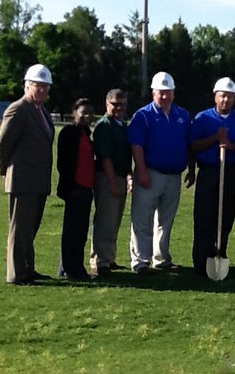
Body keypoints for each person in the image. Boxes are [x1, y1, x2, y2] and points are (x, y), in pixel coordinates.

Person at [127, 72, 193, 274]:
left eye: (167, 92)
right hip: (150, 173)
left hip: (174, 175)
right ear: (153, 93)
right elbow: (136, 146)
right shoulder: (143, 115)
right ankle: (140, 260)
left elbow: (188, 144)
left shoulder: (182, 115)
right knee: (142, 218)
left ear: (173, 93)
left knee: (166, 219)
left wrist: (192, 168)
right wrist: (143, 172)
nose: (164, 97)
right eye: (160, 93)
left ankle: (160, 257)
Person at [189, 77, 235, 276]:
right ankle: (201, 260)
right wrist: (215, 138)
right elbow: (192, 145)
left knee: (226, 216)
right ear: (215, 97)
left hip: (232, 172)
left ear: (234, 98)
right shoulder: (203, 118)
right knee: (205, 216)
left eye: (229, 96)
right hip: (209, 172)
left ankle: (220, 253)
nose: (225, 100)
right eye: (222, 96)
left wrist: (232, 146)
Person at [0, 64, 55, 285]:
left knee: (30, 229)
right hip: (22, 179)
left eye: (45, 87)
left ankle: (28, 269)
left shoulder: (41, 111)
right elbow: (3, 143)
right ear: (27, 86)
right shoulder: (18, 109)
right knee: (19, 229)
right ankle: (16, 273)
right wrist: (5, 170)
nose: (42, 91)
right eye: (37, 86)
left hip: (38, 180)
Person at [90, 89, 132, 277]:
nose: (119, 108)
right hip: (108, 177)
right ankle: (100, 261)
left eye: (122, 104)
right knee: (105, 220)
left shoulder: (122, 124)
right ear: (107, 104)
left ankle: (108, 257)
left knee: (114, 220)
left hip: (121, 175)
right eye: (115, 104)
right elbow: (105, 157)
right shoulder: (104, 126)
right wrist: (113, 182)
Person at [56, 98, 95, 281]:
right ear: (74, 113)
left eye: (89, 112)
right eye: (83, 112)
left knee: (80, 231)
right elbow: (64, 163)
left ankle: (69, 266)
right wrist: (71, 187)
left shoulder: (86, 133)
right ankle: (73, 269)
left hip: (86, 188)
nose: (87, 116)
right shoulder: (69, 132)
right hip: (75, 188)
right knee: (73, 231)